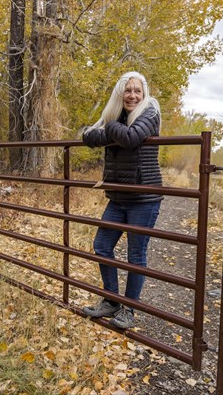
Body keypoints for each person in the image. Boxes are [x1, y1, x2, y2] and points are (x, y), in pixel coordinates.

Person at [81, 71, 163, 329]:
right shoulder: (118, 116)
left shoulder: (150, 112)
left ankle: (129, 309)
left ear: (144, 92)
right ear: (120, 93)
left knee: (136, 255)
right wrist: (112, 127)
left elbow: (130, 138)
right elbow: (87, 136)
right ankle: (111, 300)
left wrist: (109, 126)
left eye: (137, 90)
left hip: (144, 197)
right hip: (118, 197)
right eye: (127, 90)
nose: (132, 95)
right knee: (102, 245)